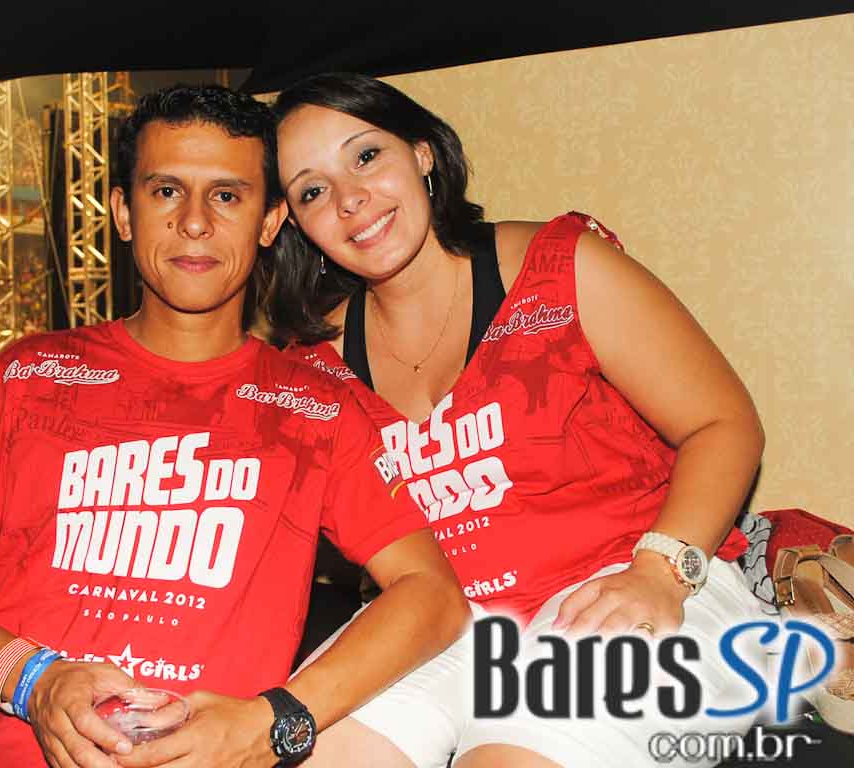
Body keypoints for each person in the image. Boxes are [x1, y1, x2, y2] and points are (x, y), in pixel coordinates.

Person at [0, 84, 470, 768]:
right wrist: (32, 679)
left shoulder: (318, 407)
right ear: (123, 213)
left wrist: (276, 721)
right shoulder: (30, 374)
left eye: (227, 196)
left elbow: (432, 595)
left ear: (269, 222)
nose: (194, 223)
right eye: (166, 192)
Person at [267, 72, 767, 768]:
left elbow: (722, 422)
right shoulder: (312, 367)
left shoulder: (557, 269)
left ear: (422, 152)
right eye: (312, 191)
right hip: (442, 616)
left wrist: (661, 573)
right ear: (294, 224)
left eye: (367, 156)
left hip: (626, 578)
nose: (349, 199)